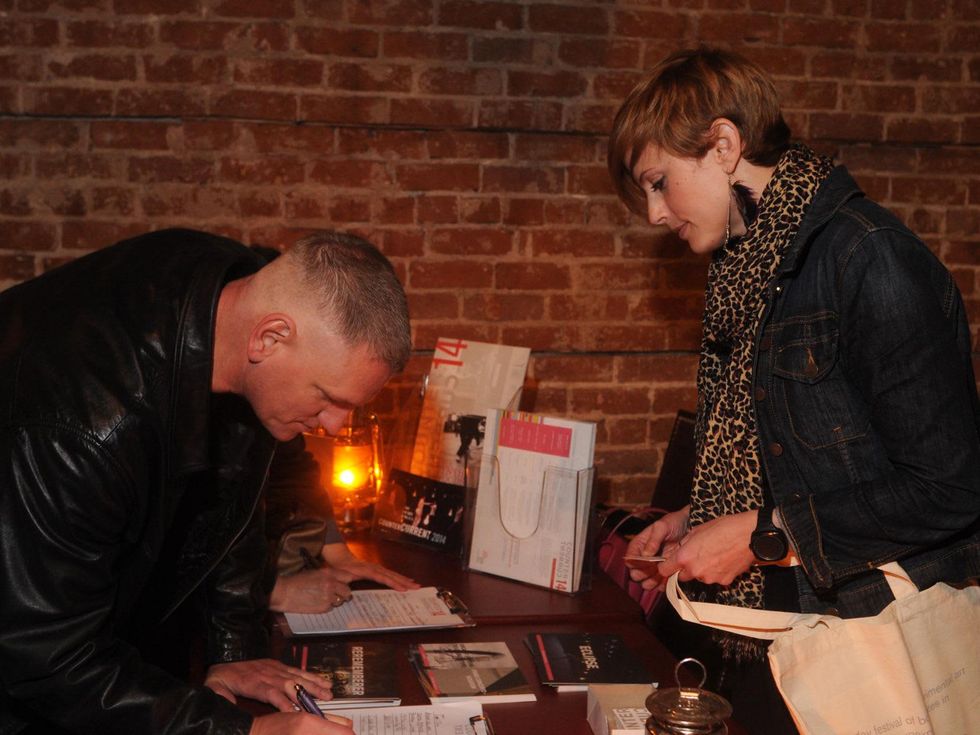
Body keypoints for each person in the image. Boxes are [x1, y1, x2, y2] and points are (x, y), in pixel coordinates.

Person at [607, 47, 980, 732]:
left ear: (723, 145)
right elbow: (814, 450)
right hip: (780, 641)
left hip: (863, 651)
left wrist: (760, 535)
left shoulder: (870, 258)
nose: (655, 214)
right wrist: (704, 513)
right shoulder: (747, 269)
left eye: (659, 183)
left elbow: (950, 488)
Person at [0, 227, 412, 735]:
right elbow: (45, 658)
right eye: (329, 397)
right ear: (270, 338)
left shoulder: (235, 293)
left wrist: (233, 653)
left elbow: (231, 493)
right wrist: (246, 732)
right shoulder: (82, 430)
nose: (333, 427)